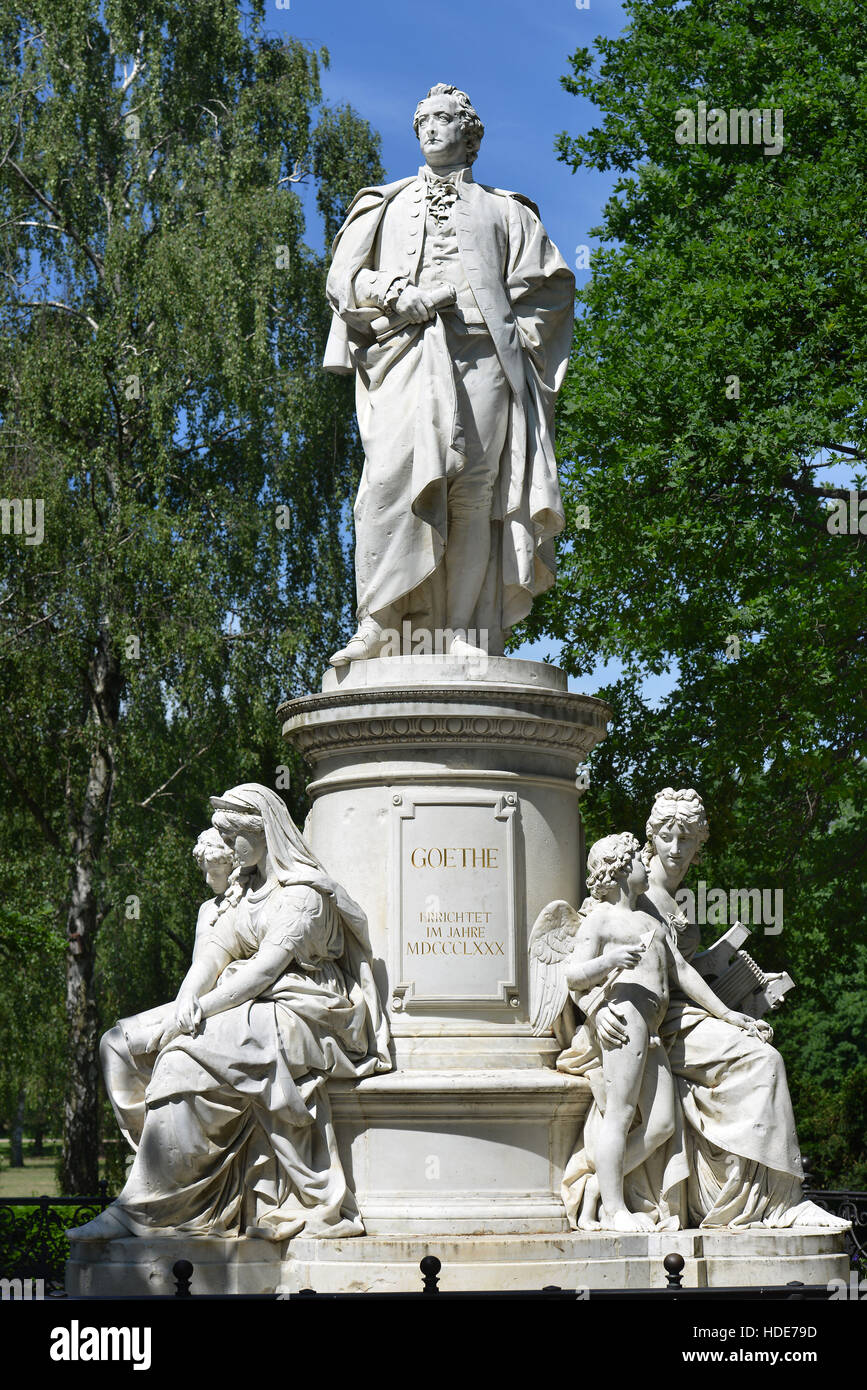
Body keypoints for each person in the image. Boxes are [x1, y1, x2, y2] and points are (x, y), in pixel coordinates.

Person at [71, 784, 391, 1242]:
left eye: (231, 836)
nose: (225, 845)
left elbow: (264, 971)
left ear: (262, 833)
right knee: (124, 1045)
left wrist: (198, 1012)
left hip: (306, 1010)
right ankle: (166, 1177)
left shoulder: (304, 895)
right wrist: (187, 999)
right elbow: (215, 954)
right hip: (252, 1000)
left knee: (180, 1058)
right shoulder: (248, 890)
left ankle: (148, 1208)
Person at [323, 83, 574, 663]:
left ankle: (465, 632)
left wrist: (510, 333)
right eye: (423, 121)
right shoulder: (382, 203)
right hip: (406, 355)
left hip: (485, 361)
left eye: (442, 119)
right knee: (387, 482)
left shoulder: (507, 210)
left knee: (474, 495)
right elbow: (344, 278)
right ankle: (377, 622)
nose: (431, 129)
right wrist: (394, 293)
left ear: (470, 133)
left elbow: (552, 287)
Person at [593, 788, 848, 1229]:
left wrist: (736, 1004)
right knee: (764, 1061)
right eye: (667, 837)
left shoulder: (674, 897)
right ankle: (778, 1203)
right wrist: (596, 1007)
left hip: (678, 1014)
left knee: (761, 1053)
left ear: (700, 842)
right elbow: (587, 953)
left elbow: (681, 970)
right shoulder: (632, 888)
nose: (676, 849)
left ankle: (777, 1199)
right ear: (651, 838)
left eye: (686, 838)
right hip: (654, 1023)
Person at [560, 833, 765, 1231]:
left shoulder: (649, 920)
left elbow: (683, 972)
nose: (646, 863)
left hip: (651, 1029)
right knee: (620, 1115)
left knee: (661, 1126)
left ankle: (599, 1185)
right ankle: (615, 1209)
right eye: (639, 859)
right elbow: (572, 975)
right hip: (626, 1023)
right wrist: (610, 961)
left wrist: (727, 1014)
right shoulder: (602, 918)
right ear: (621, 870)